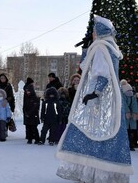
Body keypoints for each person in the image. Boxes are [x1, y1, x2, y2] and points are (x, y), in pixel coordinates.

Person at [56, 15, 133, 182]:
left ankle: (92, 172)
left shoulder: (101, 47)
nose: (92, 33)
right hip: (110, 100)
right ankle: (101, 172)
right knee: (105, 134)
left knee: (90, 132)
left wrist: (94, 93)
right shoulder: (111, 47)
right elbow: (91, 67)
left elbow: (101, 74)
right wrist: (86, 49)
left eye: (94, 30)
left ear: (100, 31)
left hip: (99, 100)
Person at [121, 79, 138, 151]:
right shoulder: (132, 94)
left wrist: (127, 112)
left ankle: (129, 144)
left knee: (126, 130)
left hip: (125, 114)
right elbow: (134, 104)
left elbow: (123, 104)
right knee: (132, 129)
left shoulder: (122, 93)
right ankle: (132, 143)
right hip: (131, 114)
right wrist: (135, 113)